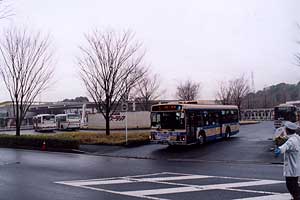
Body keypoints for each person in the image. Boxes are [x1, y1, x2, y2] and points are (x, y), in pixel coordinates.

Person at [275, 121, 300, 200]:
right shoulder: (297, 137)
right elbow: (286, 139)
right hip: (297, 166)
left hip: (291, 167)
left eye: (285, 129)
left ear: (287, 130)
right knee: (295, 184)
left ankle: (297, 197)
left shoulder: (291, 141)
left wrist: (278, 150)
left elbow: (283, 148)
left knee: (290, 185)